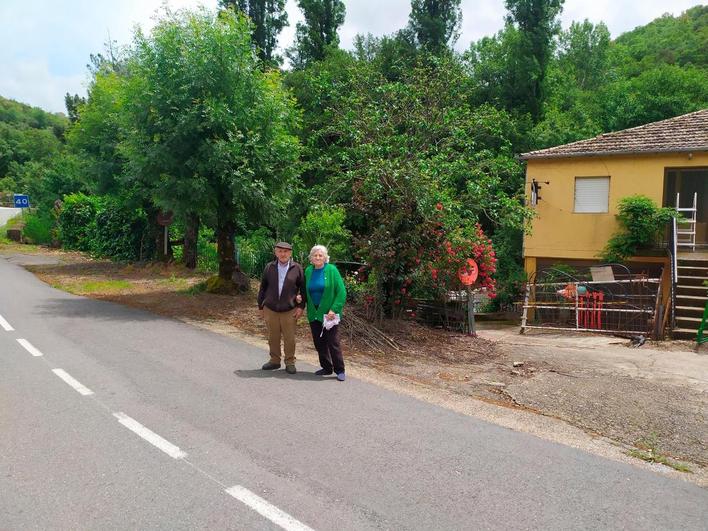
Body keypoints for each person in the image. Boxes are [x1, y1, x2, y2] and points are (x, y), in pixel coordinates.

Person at [257, 242, 306, 374]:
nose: (283, 254)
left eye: (285, 251)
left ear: (290, 253)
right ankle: (274, 361)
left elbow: (303, 289)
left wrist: (301, 307)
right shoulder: (269, 267)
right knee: (273, 337)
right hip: (271, 308)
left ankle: (290, 362)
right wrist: (260, 306)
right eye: (280, 251)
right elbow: (263, 288)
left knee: (289, 338)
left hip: (289, 309)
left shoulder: (297, 268)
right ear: (275, 252)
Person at [304, 245, 347, 381]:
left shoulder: (332, 270)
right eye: (315, 255)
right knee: (319, 342)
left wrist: (334, 309)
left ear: (325, 257)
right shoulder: (308, 271)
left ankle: (339, 370)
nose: (317, 257)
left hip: (329, 315)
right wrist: (300, 297)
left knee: (333, 342)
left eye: (320, 255)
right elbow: (304, 290)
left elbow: (341, 292)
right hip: (314, 313)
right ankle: (327, 367)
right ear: (311, 258)